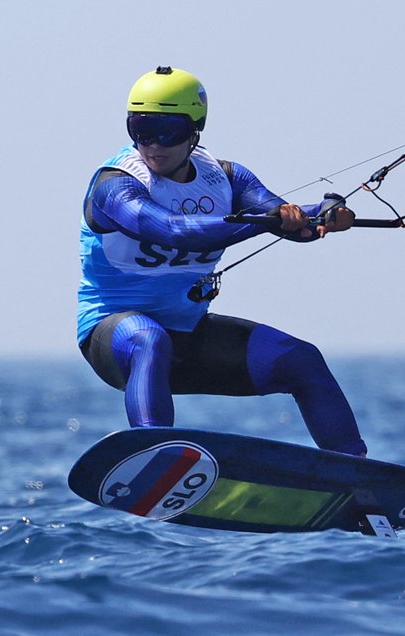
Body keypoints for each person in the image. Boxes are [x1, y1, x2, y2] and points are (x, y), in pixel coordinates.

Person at [77, 66, 367, 457]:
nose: (153, 145)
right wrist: (270, 223)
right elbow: (175, 230)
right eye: (141, 129)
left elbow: (282, 217)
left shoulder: (228, 178)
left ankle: (357, 478)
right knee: (149, 338)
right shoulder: (115, 186)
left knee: (302, 360)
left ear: (195, 131)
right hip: (115, 338)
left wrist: (325, 212)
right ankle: (155, 457)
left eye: (168, 131)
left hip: (188, 335)